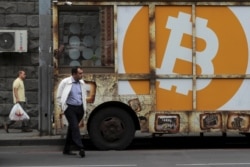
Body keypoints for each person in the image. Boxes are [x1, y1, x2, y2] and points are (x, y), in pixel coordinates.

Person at [56, 66, 87, 158]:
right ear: (74, 74)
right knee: (75, 126)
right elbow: (59, 96)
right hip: (70, 108)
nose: (82, 75)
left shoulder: (82, 82)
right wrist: (63, 107)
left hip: (80, 108)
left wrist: (83, 107)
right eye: (80, 73)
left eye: (82, 73)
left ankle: (66, 149)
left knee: (72, 128)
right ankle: (80, 147)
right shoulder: (65, 82)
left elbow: (83, 95)